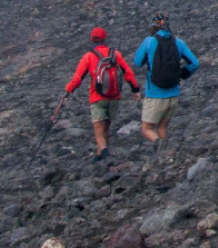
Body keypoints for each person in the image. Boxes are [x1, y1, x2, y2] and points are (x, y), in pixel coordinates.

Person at [65, 27, 141, 162]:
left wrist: (68, 91)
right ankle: (99, 156)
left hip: (98, 97)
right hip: (114, 97)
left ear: (91, 39)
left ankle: (105, 153)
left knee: (98, 129)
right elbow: (128, 73)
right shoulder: (115, 54)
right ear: (105, 38)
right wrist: (135, 90)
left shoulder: (89, 56)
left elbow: (78, 78)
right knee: (106, 126)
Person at [134, 12, 200, 152]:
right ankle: (165, 156)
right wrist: (182, 74)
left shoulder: (149, 41)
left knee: (146, 129)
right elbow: (194, 63)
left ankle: (159, 144)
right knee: (162, 127)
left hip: (155, 94)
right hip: (173, 93)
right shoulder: (178, 42)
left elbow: (137, 62)